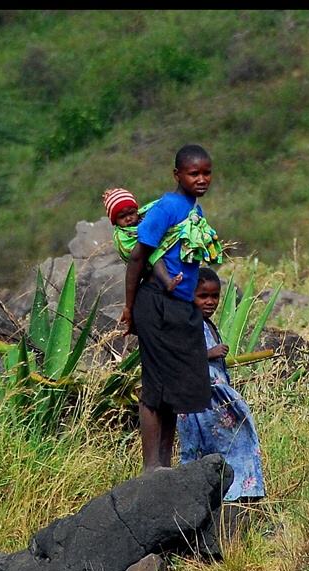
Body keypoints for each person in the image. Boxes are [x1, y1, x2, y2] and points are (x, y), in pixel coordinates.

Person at [120, 144, 220, 474]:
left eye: (206, 172)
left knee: (176, 389)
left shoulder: (195, 211)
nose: (201, 179)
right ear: (178, 175)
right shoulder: (167, 208)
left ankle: (165, 464)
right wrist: (130, 308)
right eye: (194, 173)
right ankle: (152, 467)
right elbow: (138, 257)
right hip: (156, 303)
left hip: (180, 306)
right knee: (155, 386)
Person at [177, 267, 266, 504]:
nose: (210, 302)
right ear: (189, 294)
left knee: (230, 443)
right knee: (230, 441)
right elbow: (178, 356)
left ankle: (237, 493)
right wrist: (209, 353)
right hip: (204, 399)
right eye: (203, 296)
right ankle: (236, 492)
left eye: (214, 296)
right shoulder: (188, 322)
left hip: (214, 398)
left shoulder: (205, 323)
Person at [103, 187, 182, 292]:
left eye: (131, 213)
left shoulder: (144, 216)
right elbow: (129, 252)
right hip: (143, 261)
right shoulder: (120, 235)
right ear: (115, 221)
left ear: (136, 211)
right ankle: (168, 282)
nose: (128, 218)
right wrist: (147, 242)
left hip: (157, 246)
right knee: (156, 258)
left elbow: (160, 206)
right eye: (122, 217)